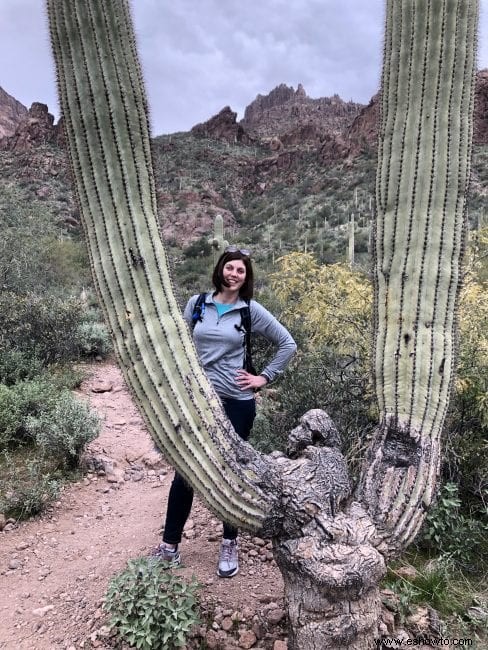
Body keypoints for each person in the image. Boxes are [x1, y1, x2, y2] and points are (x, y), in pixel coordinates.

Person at [153, 246, 296, 577]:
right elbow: (181, 343)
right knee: (186, 471)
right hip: (199, 401)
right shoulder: (198, 303)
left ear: (246, 278)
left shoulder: (250, 310)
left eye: (241, 271)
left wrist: (262, 377)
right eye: (230, 268)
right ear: (220, 270)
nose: (234, 274)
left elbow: (287, 343)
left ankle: (229, 544)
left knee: (231, 473)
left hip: (237, 402)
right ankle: (169, 547)